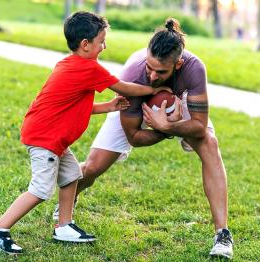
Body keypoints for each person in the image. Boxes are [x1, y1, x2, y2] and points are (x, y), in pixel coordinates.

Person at [0, 11, 162, 255]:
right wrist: (155, 88)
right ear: (86, 44)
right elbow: (123, 87)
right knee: (40, 190)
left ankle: (64, 226)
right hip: (46, 138)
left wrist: (108, 106)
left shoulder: (69, 64)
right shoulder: (88, 68)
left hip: (52, 136)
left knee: (71, 176)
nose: (105, 46)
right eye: (101, 42)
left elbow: (73, 106)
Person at [54, 18, 234, 259]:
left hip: (175, 106)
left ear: (177, 65)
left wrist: (169, 124)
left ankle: (222, 234)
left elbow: (200, 126)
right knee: (95, 165)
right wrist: (164, 129)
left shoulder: (193, 68)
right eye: (149, 66)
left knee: (210, 143)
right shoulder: (135, 74)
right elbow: (134, 137)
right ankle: (70, 197)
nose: (152, 75)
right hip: (136, 100)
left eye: (160, 71)